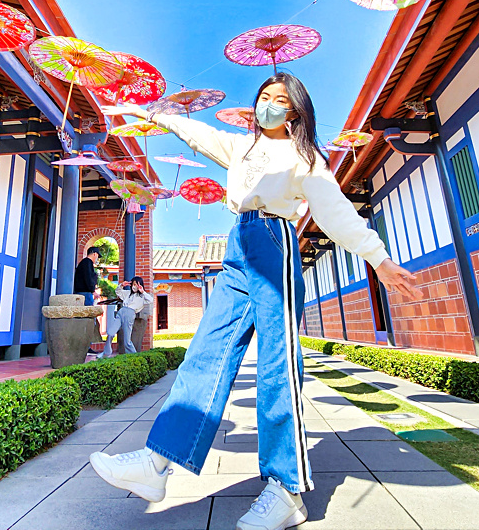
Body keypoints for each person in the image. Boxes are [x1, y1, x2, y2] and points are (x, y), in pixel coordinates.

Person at [89, 73, 422, 530]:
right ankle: (158, 462)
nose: (268, 104)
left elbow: (333, 209)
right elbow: (197, 132)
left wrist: (377, 258)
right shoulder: (240, 148)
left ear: (295, 112)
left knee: (276, 367)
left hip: (272, 242)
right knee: (204, 353)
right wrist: (148, 112)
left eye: (278, 100)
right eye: (263, 97)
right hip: (236, 246)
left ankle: (286, 490)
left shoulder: (304, 158)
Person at [97, 277, 153, 358]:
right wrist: (121, 285)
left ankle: (134, 357)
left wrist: (143, 292)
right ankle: (106, 353)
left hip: (130, 314)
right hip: (121, 312)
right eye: (133, 284)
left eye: (136, 285)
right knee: (111, 333)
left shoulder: (142, 297)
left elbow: (150, 300)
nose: (134, 287)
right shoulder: (127, 293)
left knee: (127, 340)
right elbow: (118, 292)